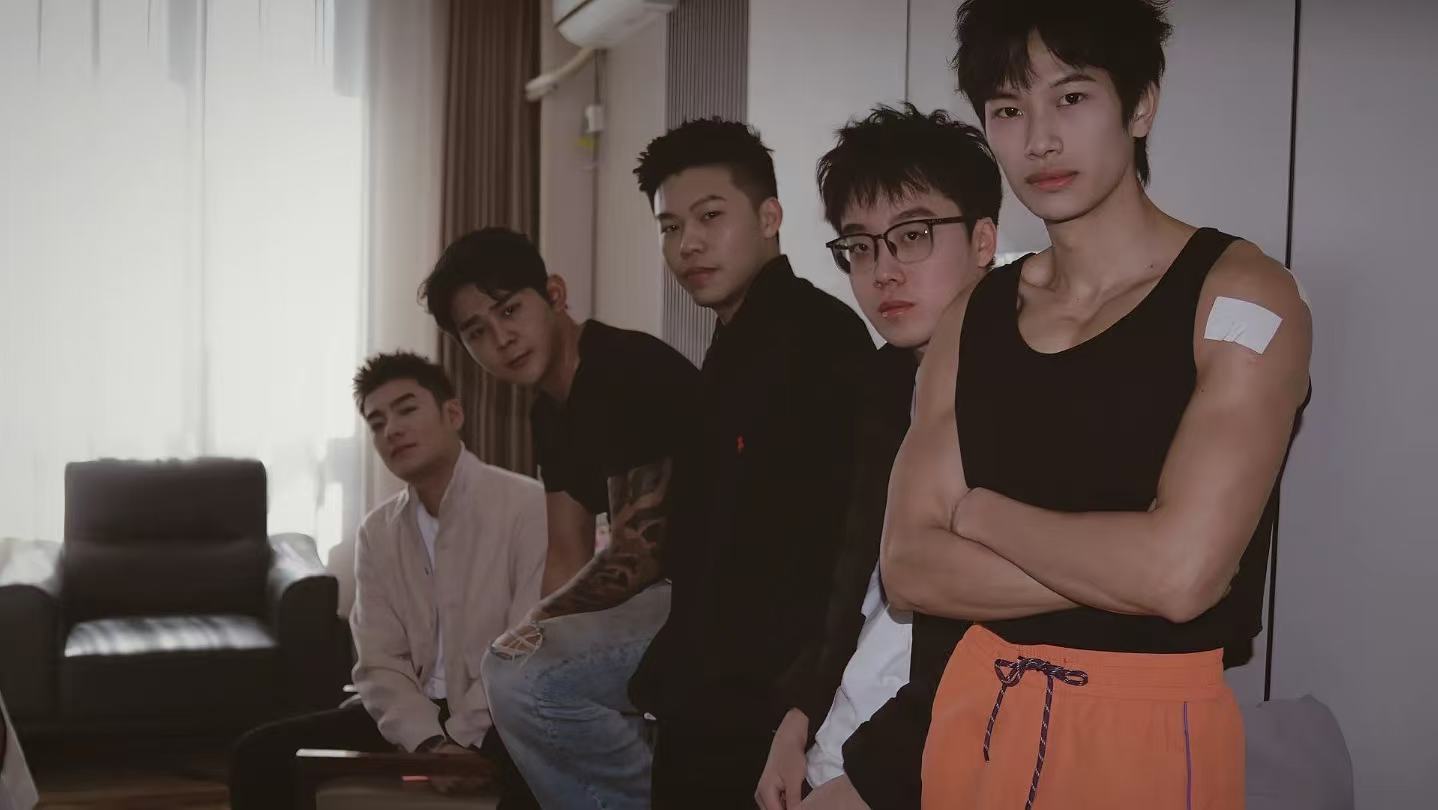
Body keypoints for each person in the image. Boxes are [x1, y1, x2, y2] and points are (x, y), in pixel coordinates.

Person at [883, 2, 1312, 807]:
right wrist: (1134, 563)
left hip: (1147, 726)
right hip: (974, 710)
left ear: (1139, 105)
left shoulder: (1242, 297)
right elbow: (907, 568)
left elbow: (1180, 577)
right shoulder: (973, 316)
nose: (1039, 139)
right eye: (1008, 110)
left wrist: (978, 514)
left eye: (1072, 97)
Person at [756, 104, 1001, 810]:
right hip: (850, 729)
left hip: (948, 750)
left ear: (983, 239)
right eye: (860, 247)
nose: (883, 272)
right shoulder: (886, 381)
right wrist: (798, 717)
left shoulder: (1022, 390)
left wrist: (875, 777)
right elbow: (853, 573)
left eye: (912, 236)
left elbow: (1001, 627)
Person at [625, 118, 874, 808]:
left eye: (710, 216)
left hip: (765, 708)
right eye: (670, 227)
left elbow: (834, 555)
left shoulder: (819, 340)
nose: (688, 244)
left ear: (769, 218)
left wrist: (793, 709)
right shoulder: (735, 343)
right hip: (711, 691)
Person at [420, 227, 699, 810]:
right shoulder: (549, 411)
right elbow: (566, 555)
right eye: (477, 332)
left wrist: (524, 640)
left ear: (554, 293)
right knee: (514, 670)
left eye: (509, 310)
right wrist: (525, 639)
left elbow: (638, 554)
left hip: (719, 594)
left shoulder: (620, 369)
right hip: (670, 597)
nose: (501, 339)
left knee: (523, 675)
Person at [229, 352, 545, 810]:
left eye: (407, 409)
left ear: (453, 414)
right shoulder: (377, 532)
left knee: (544, 768)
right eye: (377, 423)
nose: (392, 429)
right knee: (257, 755)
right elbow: (379, 660)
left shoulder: (527, 505)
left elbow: (526, 645)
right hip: (416, 713)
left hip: (503, 713)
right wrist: (429, 743)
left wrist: (463, 737)